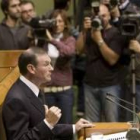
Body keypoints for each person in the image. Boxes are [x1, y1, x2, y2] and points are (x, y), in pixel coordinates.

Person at [2, 47, 93, 140]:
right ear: (31, 69)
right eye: (46, 64)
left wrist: (74, 127)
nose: (52, 68)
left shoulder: (36, 89)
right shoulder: (16, 99)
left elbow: (45, 126)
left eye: (51, 64)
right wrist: (48, 123)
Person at [76, 4, 127, 122]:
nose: (100, 18)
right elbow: (78, 50)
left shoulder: (115, 33)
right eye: (98, 16)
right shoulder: (89, 31)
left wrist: (99, 40)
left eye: (104, 15)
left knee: (112, 123)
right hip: (90, 84)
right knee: (92, 125)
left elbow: (112, 59)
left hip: (110, 85)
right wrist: (84, 31)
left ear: (109, 16)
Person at [41, 9, 75, 124]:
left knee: (66, 125)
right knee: (50, 126)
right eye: (54, 21)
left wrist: (52, 40)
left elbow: (68, 52)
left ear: (65, 24)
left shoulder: (69, 40)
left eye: (60, 21)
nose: (57, 24)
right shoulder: (44, 41)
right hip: (47, 90)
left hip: (64, 90)